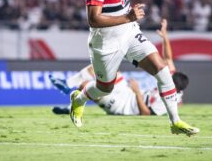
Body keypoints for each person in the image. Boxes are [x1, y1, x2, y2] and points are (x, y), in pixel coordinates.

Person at [69, 0, 198, 136]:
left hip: (129, 33)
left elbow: (121, 3)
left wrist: (129, 17)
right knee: (104, 88)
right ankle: (79, 99)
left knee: (162, 69)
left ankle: (176, 122)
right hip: (106, 42)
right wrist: (128, 17)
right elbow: (93, 19)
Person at [51, 19, 189, 116]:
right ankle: (67, 85)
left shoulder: (170, 99)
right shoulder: (174, 81)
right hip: (128, 93)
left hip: (124, 106)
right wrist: (165, 37)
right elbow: (169, 59)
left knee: (85, 85)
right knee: (105, 67)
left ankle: (71, 108)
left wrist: (137, 92)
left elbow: (146, 113)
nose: (168, 78)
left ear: (175, 87)